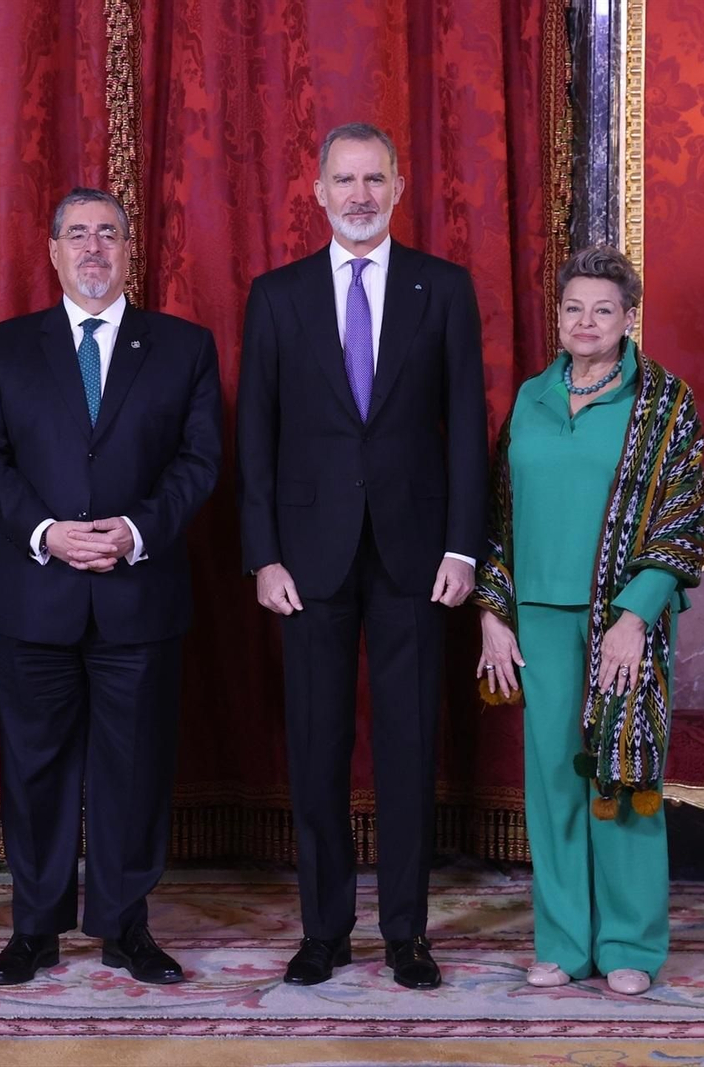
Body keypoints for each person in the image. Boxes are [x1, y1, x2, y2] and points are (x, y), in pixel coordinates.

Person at [237, 122, 487, 990]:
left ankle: (407, 934)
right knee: (317, 747)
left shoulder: (443, 288)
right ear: (318, 192)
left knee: (409, 746)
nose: (359, 195)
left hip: (417, 554)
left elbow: (467, 429)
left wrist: (464, 546)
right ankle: (325, 930)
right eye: (344, 180)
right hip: (308, 559)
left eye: (374, 178)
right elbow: (255, 435)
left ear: (399, 188)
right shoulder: (276, 296)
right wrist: (264, 555)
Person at [0, 187, 222, 987]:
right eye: (77, 233)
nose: (93, 248)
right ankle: (34, 929)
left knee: (133, 770)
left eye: (109, 232)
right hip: (35, 595)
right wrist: (45, 531)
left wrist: (136, 530)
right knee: (34, 770)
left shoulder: (183, 346)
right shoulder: (4, 347)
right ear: (53, 251)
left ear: (130, 248)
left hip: (138, 594)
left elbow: (199, 460)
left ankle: (123, 925)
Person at [473, 244, 704, 997]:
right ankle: (563, 943)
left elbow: (683, 517)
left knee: (623, 774)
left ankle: (630, 944)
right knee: (552, 782)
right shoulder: (532, 398)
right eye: (573, 307)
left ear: (629, 318)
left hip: (623, 620)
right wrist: (494, 613)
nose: (586, 321)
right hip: (538, 619)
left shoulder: (665, 403)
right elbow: (496, 515)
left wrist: (636, 615)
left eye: (602, 309)